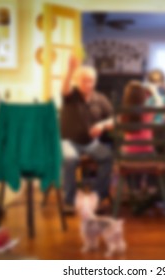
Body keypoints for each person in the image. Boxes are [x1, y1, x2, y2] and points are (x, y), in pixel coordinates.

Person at [61, 56, 114, 213]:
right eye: (84, 80)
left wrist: (103, 125)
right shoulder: (70, 96)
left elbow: (114, 118)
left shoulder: (100, 98)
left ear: (95, 81)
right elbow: (64, 88)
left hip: (91, 143)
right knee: (70, 159)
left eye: (90, 80)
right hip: (68, 141)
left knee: (108, 156)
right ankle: (69, 202)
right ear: (77, 81)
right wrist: (70, 70)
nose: (87, 84)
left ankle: (97, 197)